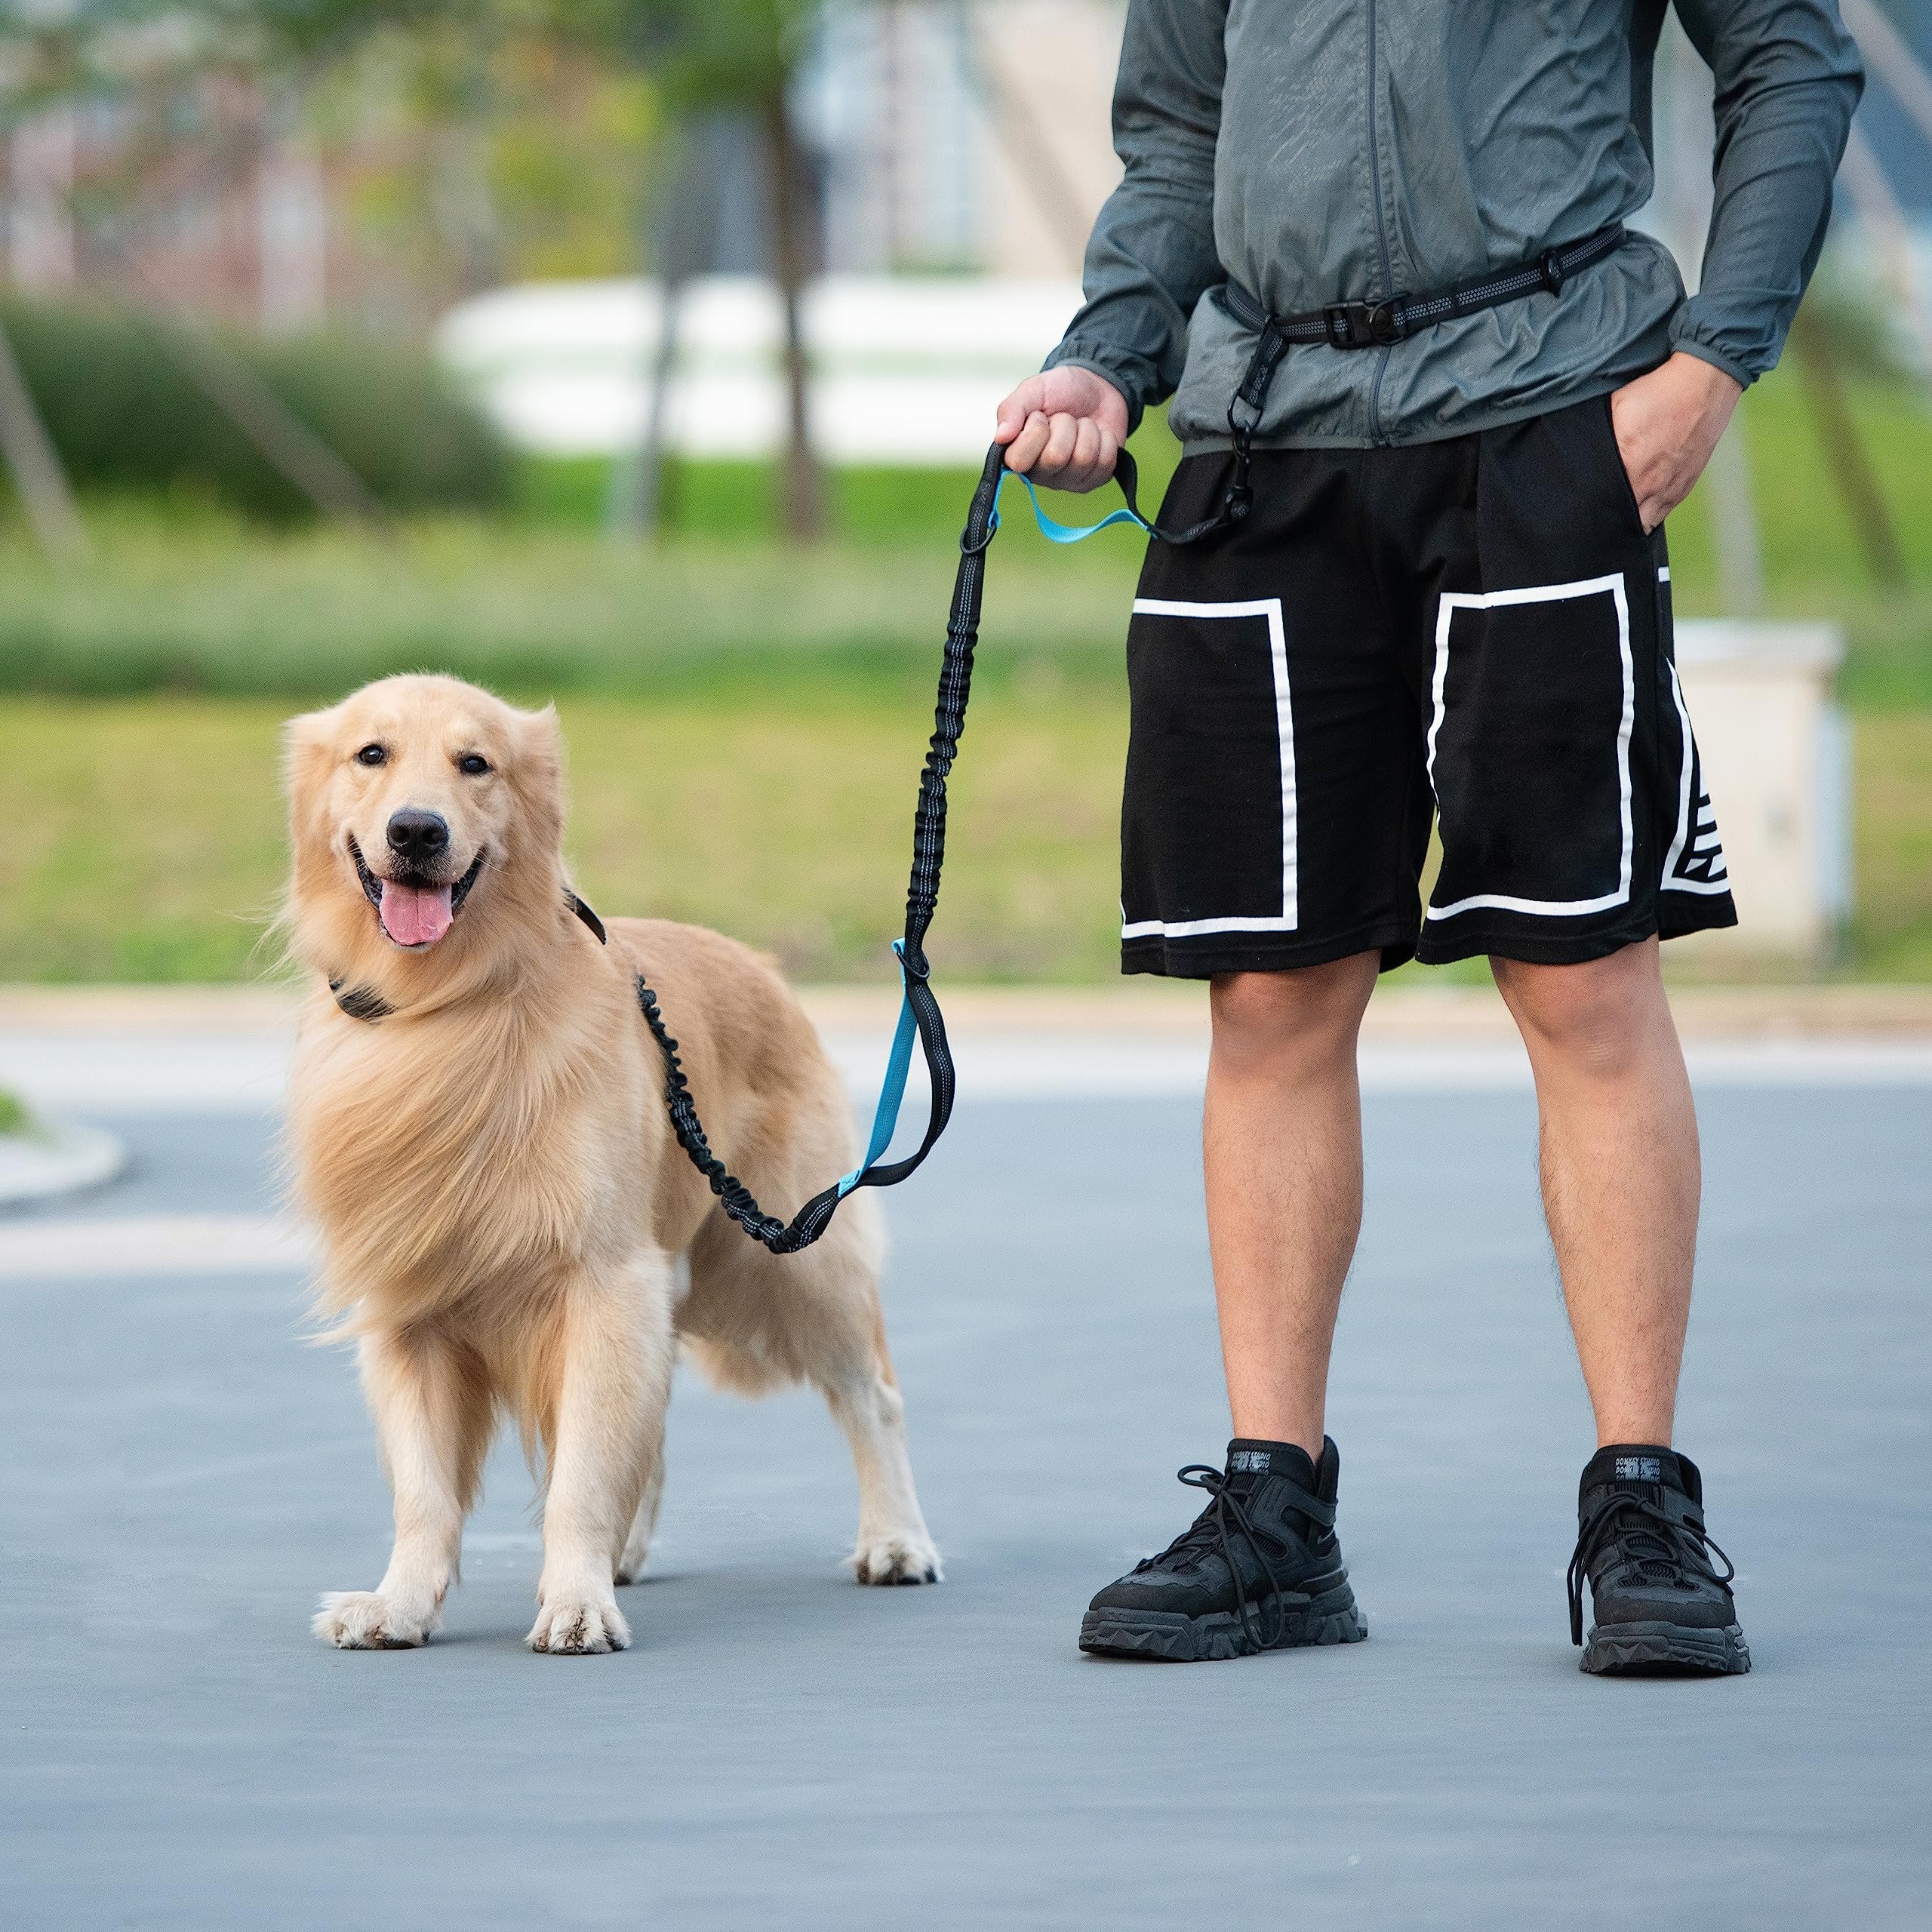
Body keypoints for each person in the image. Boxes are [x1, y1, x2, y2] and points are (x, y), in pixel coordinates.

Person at [995, 0, 1862, 1672]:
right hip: (1262, 450)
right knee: (1266, 993)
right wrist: (1108, 352)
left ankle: (1640, 1504)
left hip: (1547, 426)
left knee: (1581, 978)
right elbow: (1174, 140)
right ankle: (1275, 1516)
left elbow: (1791, 58)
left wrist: (1713, 361)